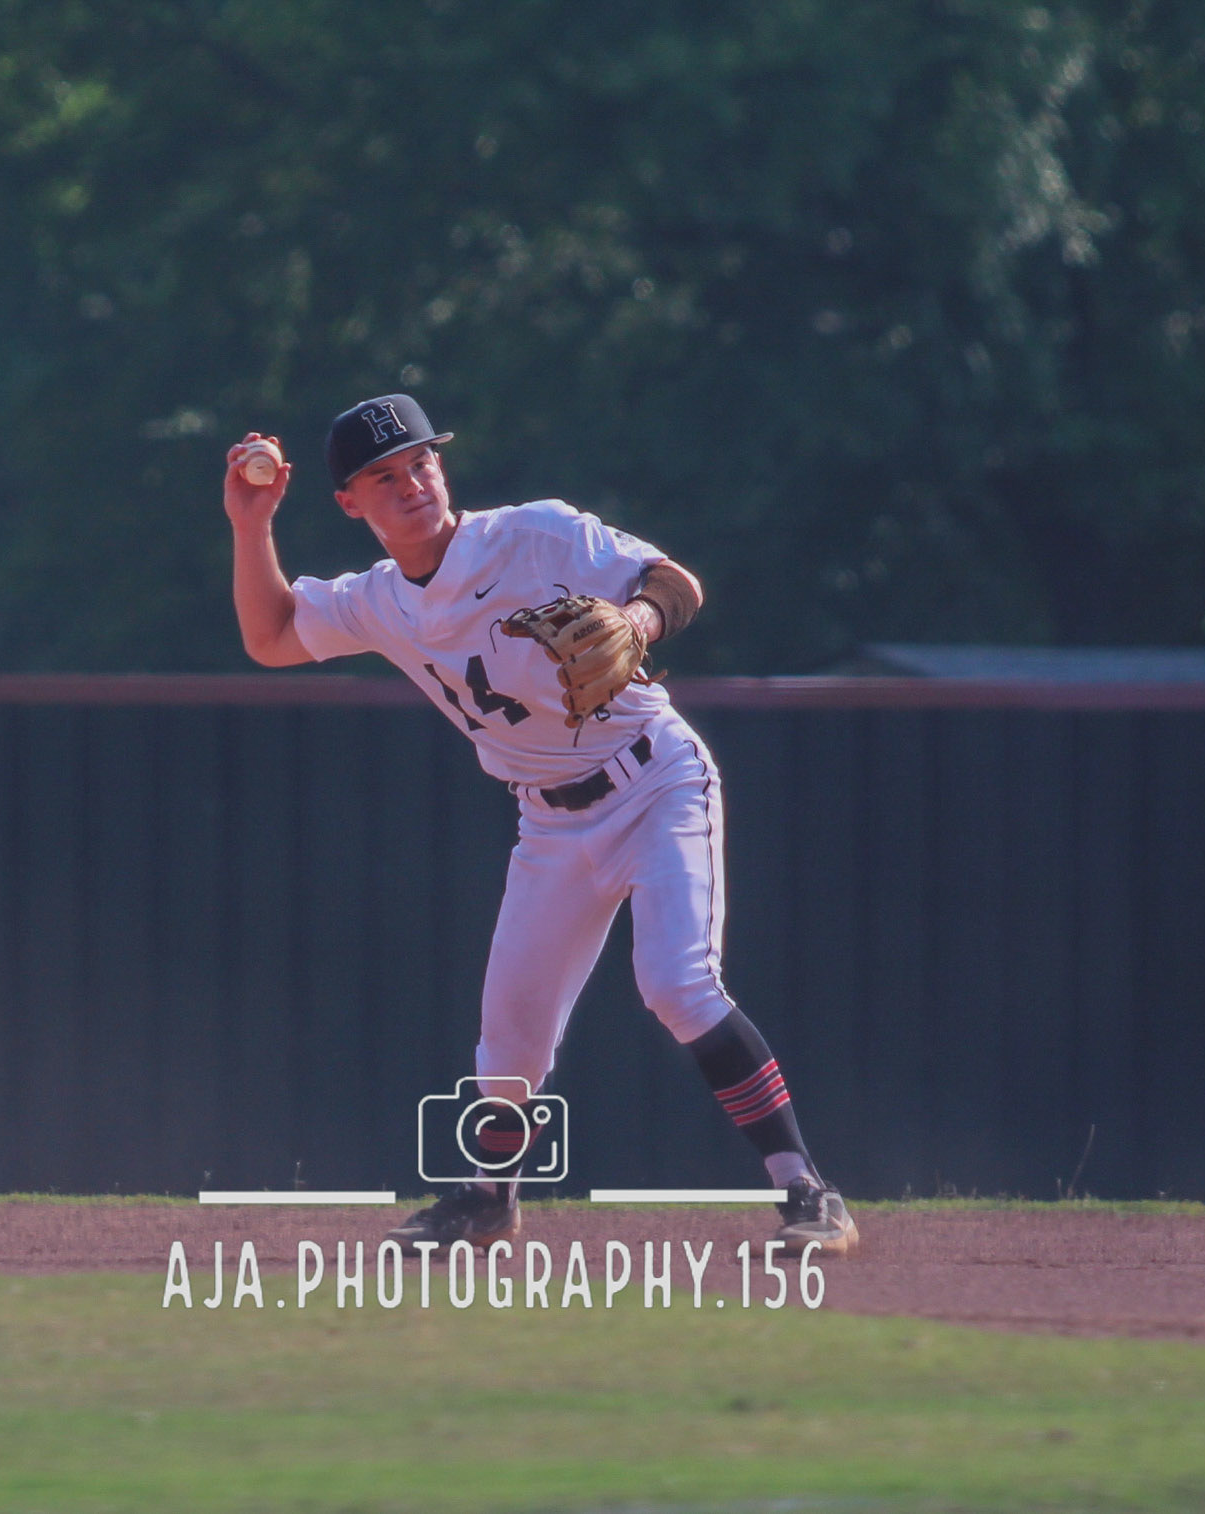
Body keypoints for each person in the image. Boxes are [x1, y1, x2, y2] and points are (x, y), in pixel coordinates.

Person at [223, 394, 857, 1257]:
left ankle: (808, 1192)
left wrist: (636, 619)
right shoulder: (377, 601)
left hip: (654, 779)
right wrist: (252, 524)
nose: (413, 484)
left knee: (677, 985)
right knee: (511, 1036)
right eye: (385, 477)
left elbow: (675, 582)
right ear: (349, 502)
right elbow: (270, 638)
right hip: (549, 822)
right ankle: (489, 1202)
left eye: (422, 462)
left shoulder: (535, 534)